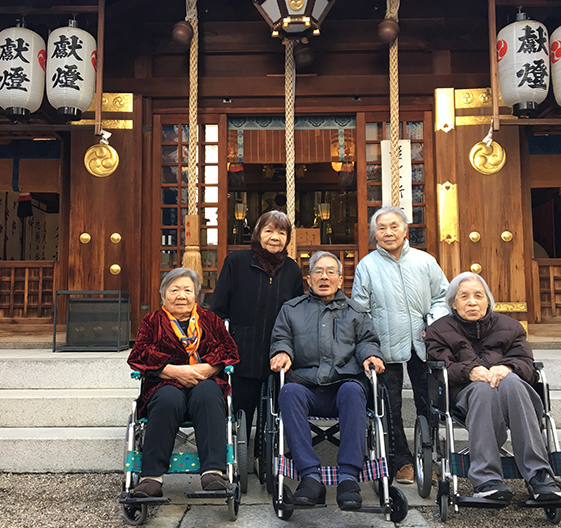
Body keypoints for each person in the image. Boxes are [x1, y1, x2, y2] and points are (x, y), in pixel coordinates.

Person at [425, 272, 561, 503]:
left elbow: (526, 364)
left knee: (511, 381)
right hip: (466, 392)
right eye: (464, 296)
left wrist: (508, 367)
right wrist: (469, 371)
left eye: (478, 295)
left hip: (512, 393)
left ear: (488, 301)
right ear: (453, 303)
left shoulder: (511, 327)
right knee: (482, 389)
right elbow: (442, 369)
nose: (472, 302)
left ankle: (539, 475)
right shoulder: (439, 330)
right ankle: (486, 479)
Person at [269, 251, 386, 510]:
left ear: (340, 278)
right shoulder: (292, 310)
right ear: (308, 279)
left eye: (330, 271)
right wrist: (282, 352)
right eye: (318, 272)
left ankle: (348, 478)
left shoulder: (356, 311)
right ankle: (310, 477)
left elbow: (367, 341)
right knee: (287, 393)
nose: (324, 276)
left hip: (343, 386)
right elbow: (281, 338)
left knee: (355, 391)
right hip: (305, 386)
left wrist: (371, 356)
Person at [352, 206, 449, 485]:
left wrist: (432, 322)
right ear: (374, 235)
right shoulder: (367, 266)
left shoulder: (424, 261)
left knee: (428, 402)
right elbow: (360, 310)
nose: (388, 232)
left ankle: (430, 455)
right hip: (384, 347)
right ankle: (401, 461)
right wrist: (371, 344)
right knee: (389, 406)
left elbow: (442, 297)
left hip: (423, 343)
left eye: (394, 226)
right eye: (381, 228)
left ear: (406, 230)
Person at [127, 267, 240, 498]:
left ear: (196, 295)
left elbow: (229, 350)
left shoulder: (210, 320)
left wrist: (205, 369)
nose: (181, 295)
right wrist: (175, 372)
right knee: (168, 398)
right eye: (174, 289)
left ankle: (213, 472)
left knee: (208, 394)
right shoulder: (152, 322)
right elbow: (139, 354)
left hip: (206, 381)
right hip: (165, 384)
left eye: (188, 290)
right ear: (163, 295)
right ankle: (151, 478)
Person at [210, 210, 304, 457]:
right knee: (240, 410)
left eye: (281, 233)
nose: (275, 237)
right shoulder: (237, 262)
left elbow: (297, 312)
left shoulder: (292, 270)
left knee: (271, 411)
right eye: (269, 231)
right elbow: (218, 308)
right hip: (241, 351)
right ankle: (236, 459)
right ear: (258, 233)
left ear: (288, 238)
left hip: (277, 354)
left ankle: (266, 458)